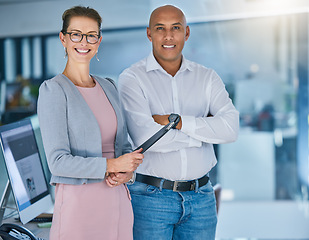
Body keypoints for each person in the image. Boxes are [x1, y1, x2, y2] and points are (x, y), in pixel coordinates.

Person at [117, 4, 239, 240]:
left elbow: (231, 129)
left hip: (202, 199)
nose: (168, 36)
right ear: (149, 33)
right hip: (150, 200)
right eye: (160, 28)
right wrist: (204, 133)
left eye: (176, 28)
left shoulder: (207, 77)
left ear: (187, 33)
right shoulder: (132, 79)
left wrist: (179, 122)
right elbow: (146, 139)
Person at [37, 6, 143, 240]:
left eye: (91, 35)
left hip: (118, 204)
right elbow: (58, 163)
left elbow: (122, 146)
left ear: (99, 40)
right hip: (80, 209)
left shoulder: (109, 86)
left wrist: (127, 173)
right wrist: (112, 165)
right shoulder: (53, 90)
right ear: (63, 38)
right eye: (76, 34)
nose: (83, 42)